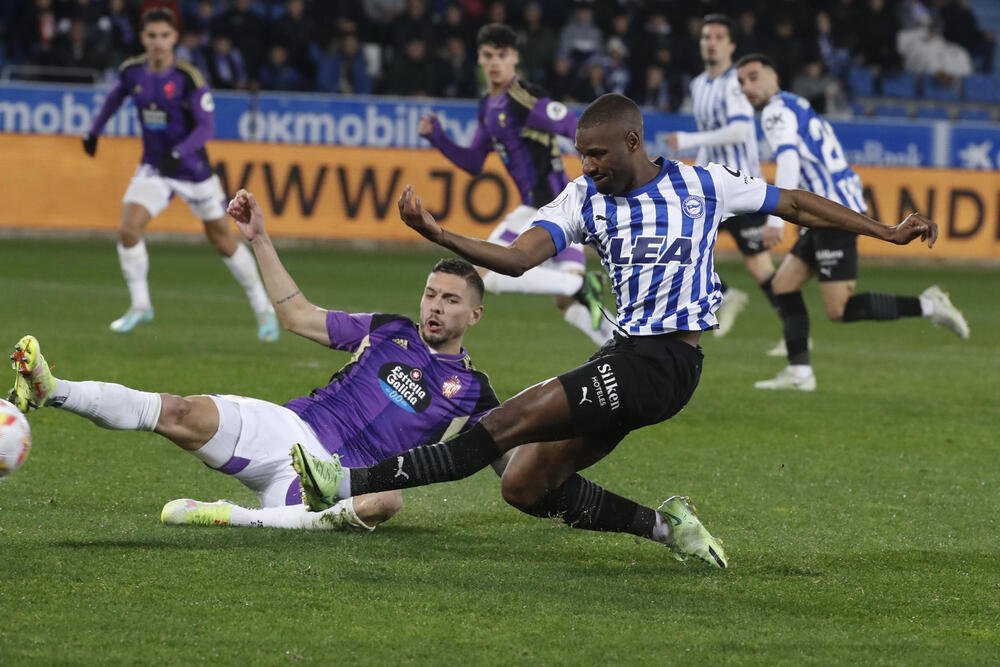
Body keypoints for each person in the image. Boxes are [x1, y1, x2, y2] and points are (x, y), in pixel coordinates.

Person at [291, 93, 940, 568]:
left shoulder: (702, 184)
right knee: (522, 486)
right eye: (582, 155)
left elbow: (793, 203)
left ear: (632, 142)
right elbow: (520, 257)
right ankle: (666, 526)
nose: (588, 165)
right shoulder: (582, 199)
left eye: (597, 154)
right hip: (627, 360)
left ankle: (346, 483)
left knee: (506, 422)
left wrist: (884, 229)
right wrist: (439, 235)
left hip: (667, 362)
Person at [7, 189, 501, 532]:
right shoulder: (387, 329)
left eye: (450, 300)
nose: (435, 306)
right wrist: (260, 239)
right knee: (179, 410)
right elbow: (300, 318)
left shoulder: (475, 389)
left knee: (387, 501)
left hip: (344, 478)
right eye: (431, 294)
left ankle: (232, 515)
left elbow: (510, 458)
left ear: (475, 314)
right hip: (287, 430)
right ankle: (53, 390)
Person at [735, 54, 969, 392]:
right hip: (823, 212)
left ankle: (930, 305)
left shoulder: (775, 111)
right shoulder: (796, 104)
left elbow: (787, 157)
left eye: (754, 77)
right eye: (742, 82)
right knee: (783, 285)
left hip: (832, 213)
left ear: (774, 76)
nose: (747, 87)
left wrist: (776, 219)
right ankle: (800, 373)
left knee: (839, 309)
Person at [82, 8, 277, 340]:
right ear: (143, 38)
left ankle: (263, 308)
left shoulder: (188, 77)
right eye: (152, 36)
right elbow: (114, 98)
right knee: (129, 230)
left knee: (221, 239)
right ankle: (141, 305)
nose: (158, 42)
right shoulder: (132, 71)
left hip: (193, 170)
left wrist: (179, 152)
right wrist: (94, 131)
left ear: (174, 38)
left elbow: (206, 127)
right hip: (155, 167)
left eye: (165, 36)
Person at [419, 23, 614, 347]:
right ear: (480, 59)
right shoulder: (488, 106)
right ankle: (620, 348)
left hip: (546, 205)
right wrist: (437, 137)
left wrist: (596, 168)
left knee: (486, 275)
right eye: (488, 55)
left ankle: (578, 286)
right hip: (559, 209)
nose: (495, 62)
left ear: (515, 59)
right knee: (568, 302)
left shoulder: (522, 99)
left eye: (502, 55)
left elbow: (571, 125)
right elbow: (474, 162)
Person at [667, 14, 778, 342]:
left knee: (760, 268)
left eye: (717, 37)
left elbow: (740, 129)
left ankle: (794, 331)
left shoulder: (736, 82)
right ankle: (724, 294)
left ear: (730, 45)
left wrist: (688, 141)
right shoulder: (698, 84)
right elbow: (709, 135)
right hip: (709, 188)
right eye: (706, 37)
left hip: (742, 188)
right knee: (679, 244)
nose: (710, 43)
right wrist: (691, 173)